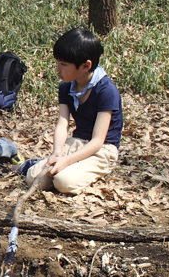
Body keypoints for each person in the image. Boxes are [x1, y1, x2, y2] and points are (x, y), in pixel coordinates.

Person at [19, 28, 123, 195]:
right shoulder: (66, 87)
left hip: (103, 149)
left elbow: (97, 141)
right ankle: (55, 165)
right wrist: (57, 152)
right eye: (57, 63)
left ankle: (87, 169)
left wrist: (66, 161)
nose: (57, 70)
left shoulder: (106, 91)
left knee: (63, 181)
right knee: (33, 178)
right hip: (77, 142)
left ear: (85, 66)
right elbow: (63, 123)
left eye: (64, 65)